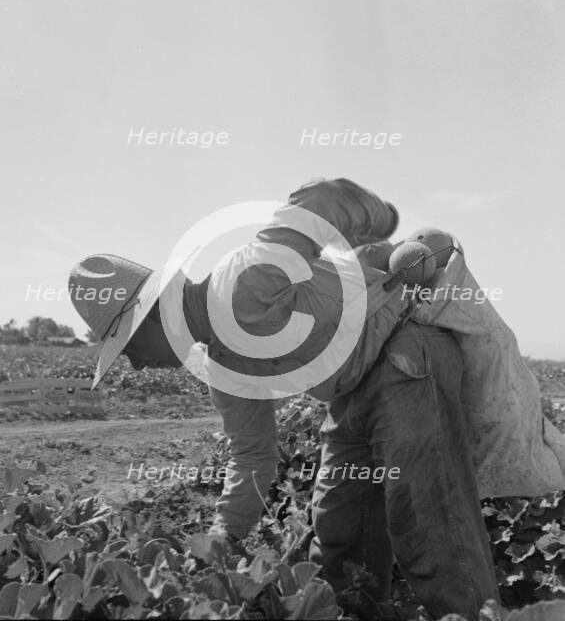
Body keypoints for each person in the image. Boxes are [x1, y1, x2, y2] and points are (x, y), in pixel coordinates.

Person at [69, 177, 499, 619]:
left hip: (407, 358)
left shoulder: (244, 283)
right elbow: (252, 457)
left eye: (130, 348)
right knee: (341, 537)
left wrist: (381, 221)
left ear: (155, 319)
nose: (137, 366)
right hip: (351, 390)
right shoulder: (223, 368)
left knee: (428, 517)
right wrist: (222, 535)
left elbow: (320, 199)